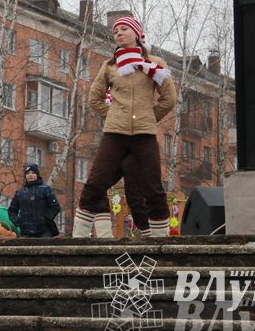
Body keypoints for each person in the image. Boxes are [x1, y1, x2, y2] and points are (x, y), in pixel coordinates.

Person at [73, 15, 177, 239]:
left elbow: (169, 100)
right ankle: (78, 239)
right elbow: (94, 98)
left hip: (144, 134)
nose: (118, 33)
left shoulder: (156, 64)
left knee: (153, 188)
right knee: (95, 183)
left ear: (137, 34)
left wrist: (149, 117)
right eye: (115, 31)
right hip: (115, 135)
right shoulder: (109, 65)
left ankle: (161, 241)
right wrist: (112, 116)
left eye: (123, 29)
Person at [8, 164, 61, 238]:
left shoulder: (46, 189)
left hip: (44, 230)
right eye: (28, 173)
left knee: (45, 249)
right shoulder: (20, 192)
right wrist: (18, 221)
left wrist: (46, 218)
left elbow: (55, 207)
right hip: (25, 231)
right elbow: (12, 210)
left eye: (33, 173)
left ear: (37, 174)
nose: (30, 175)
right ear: (25, 176)